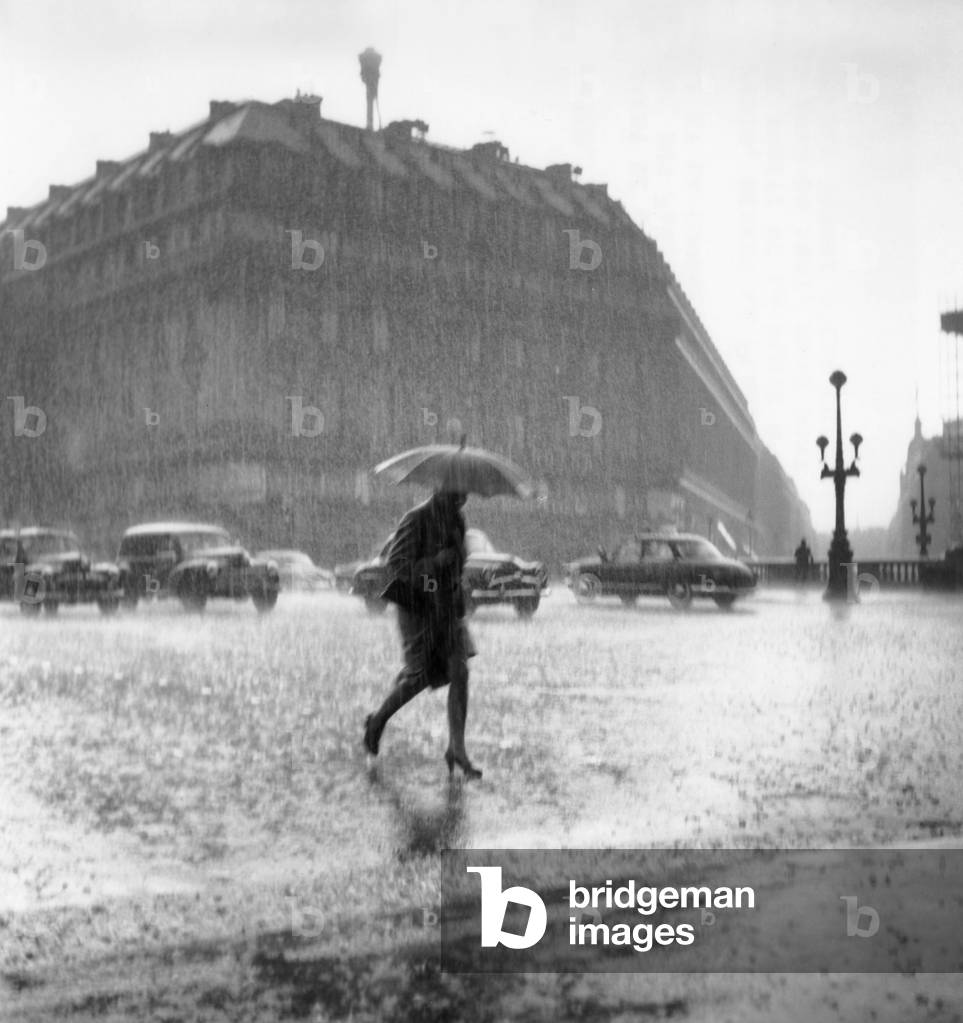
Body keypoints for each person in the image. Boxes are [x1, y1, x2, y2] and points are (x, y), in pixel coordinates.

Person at [363, 483, 481, 779]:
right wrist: (434, 565)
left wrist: (455, 568)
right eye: (458, 493)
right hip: (420, 610)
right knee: (419, 678)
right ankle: (377, 722)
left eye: (465, 494)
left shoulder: (457, 519)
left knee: (460, 672)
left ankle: (457, 748)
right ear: (442, 489)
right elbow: (398, 566)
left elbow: (458, 563)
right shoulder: (415, 519)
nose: (463, 499)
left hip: (449, 610)